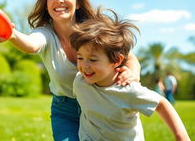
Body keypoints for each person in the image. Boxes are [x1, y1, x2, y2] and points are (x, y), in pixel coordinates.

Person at [0, 0, 141, 141]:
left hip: (101, 105)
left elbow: (128, 57)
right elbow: (31, 45)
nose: (59, 0)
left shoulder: (94, 31)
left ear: (77, 3)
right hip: (65, 111)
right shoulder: (45, 33)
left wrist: (133, 74)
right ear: (46, 4)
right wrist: (10, 34)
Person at [70, 8, 191, 141]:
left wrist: (181, 136)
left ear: (116, 61)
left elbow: (162, 104)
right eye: (80, 58)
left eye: (93, 59)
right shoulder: (80, 82)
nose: (84, 66)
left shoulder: (128, 90)